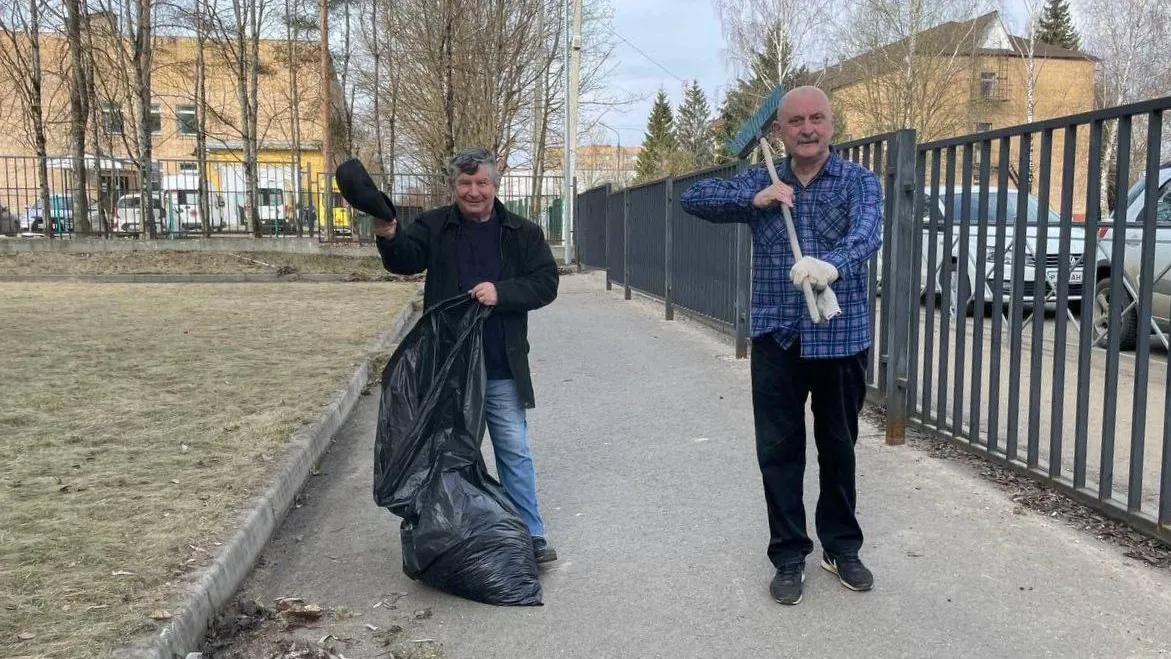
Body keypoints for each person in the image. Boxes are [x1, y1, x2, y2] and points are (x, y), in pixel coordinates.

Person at [679, 86, 883, 605]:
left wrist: (831, 264)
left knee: (839, 449)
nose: (807, 129)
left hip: (840, 337)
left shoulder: (859, 181)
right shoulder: (763, 179)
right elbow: (692, 198)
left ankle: (841, 547)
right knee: (778, 453)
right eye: (796, 121)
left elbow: (867, 235)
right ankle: (788, 555)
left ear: (831, 124)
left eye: (817, 118)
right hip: (777, 336)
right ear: (780, 131)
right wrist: (755, 199)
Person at [372, 147, 560, 564]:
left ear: (495, 184)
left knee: (513, 451)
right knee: (449, 454)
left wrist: (501, 292)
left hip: (501, 365)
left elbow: (546, 283)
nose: (473, 191)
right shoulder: (435, 226)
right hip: (448, 369)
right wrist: (388, 234)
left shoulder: (522, 233)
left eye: (481, 183)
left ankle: (531, 534)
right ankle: (452, 536)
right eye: (464, 183)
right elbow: (404, 260)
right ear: (453, 186)